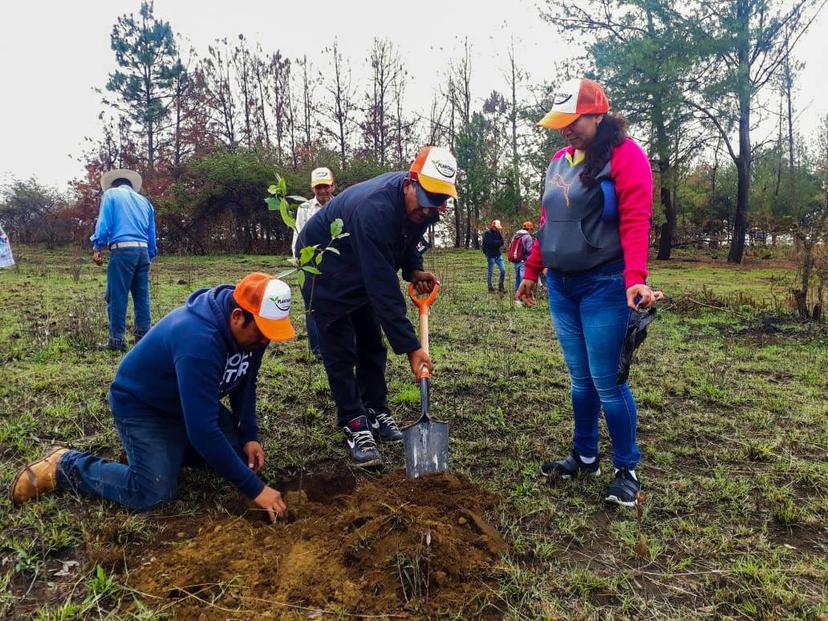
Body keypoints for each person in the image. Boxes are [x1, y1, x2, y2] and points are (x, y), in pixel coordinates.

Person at [9, 273, 296, 523]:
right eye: (261, 333)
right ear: (237, 317)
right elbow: (204, 430)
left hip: (184, 405)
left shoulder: (253, 333)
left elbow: (245, 384)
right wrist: (256, 489)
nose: (265, 342)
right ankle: (63, 466)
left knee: (236, 454)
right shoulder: (199, 340)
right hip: (144, 407)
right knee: (153, 494)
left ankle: (155, 455)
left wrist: (249, 435)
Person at [516, 78, 662, 507]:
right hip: (560, 285)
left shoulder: (626, 156)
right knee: (580, 382)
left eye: (573, 120)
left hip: (603, 283)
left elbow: (636, 219)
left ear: (598, 113)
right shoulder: (559, 160)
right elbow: (549, 223)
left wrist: (635, 276)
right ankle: (584, 456)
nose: (565, 128)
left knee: (607, 383)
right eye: (560, 122)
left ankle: (626, 469)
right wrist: (531, 270)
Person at [295, 145, 455, 467]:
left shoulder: (423, 209)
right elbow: (383, 289)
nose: (427, 212)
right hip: (324, 269)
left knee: (371, 343)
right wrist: (412, 348)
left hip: (358, 264)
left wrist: (413, 269)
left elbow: (406, 243)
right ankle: (355, 423)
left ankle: (377, 410)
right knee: (340, 350)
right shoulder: (375, 210)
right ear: (410, 183)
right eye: (425, 203)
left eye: (436, 205)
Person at [90, 169, 158, 352]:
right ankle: (143, 340)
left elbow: (104, 223)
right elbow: (151, 234)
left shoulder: (111, 195)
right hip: (143, 251)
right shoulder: (145, 202)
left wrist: (97, 246)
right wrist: (150, 256)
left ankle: (116, 341)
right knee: (141, 296)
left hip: (123, 251)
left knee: (117, 296)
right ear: (130, 185)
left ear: (113, 185)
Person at [291, 166, 336, 359]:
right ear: (312, 188)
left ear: (333, 186)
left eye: (326, 186)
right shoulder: (304, 208)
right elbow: (297, 234)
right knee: (312, 305)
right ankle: (317, 349)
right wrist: (299, 260)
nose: (323, 191)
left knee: (335, 304)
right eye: (319, 187)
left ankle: (335, 344)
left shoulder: (340, 205)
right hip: (309, 264)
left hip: (334, 264)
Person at [508, 221, 535, 293]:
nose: (531, 231)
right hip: (523, 260)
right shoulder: (528, 237)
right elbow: (529, 250)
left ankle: (516, 291)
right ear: (529, 229)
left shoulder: (516, 235)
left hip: (515, 259)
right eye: (531, 229)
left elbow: (510, 246)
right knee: (522, 277)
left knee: (517, 276)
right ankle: (521, 292)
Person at [482, 219, 506, 292]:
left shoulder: (498, 232)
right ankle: (490, 287)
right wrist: (497, 243)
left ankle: (501, 286)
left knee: (503, 270)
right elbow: (490, 243)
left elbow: (502, 242)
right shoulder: (487, 233)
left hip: (498, 255)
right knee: (490, 272)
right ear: (493, 226)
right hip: (490, 255)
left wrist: (496, 243)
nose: (497, 229)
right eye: (496, 227)